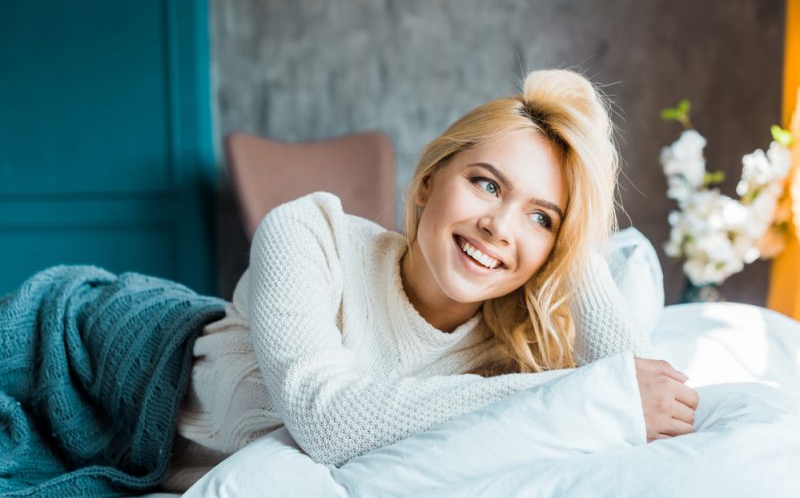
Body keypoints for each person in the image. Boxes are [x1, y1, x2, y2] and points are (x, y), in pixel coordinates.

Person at [162, 69, 700, 491]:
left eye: (541, 218)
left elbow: (642, 394)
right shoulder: (308, 232)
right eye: (487, 185)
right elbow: (328, 423)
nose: (499, 226)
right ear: (426, 184)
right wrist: (581, 394)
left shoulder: (512, 353)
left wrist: (577, 244)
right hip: (123, 368)